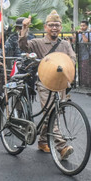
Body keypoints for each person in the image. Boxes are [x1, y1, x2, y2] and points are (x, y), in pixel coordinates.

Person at [19, 10, 76, 156]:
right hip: (44, 83)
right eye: (51, 25)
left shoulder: (65, 44)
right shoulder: (38, 42)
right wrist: (25, 29)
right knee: (51, 114)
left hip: (61, 83)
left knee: (54, 112)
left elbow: (72, 60)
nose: (54, 28)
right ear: (46, 27)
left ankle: (43, 141)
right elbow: (24, 46)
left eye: (57, 25)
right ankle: (61, 146)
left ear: (61, 27)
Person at [74, 20, 91, 87]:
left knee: (86, 70)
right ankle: (82, 84)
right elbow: (74, 41)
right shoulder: (79, 33)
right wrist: (75, 34)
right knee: (81, 70)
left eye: (83, 26)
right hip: (80, 54)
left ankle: (87, 84)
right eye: (81, 26)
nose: (82, 27)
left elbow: (86, 41)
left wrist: (82, 34)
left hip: (87, 55)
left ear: (87, 26)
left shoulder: (89, 33)